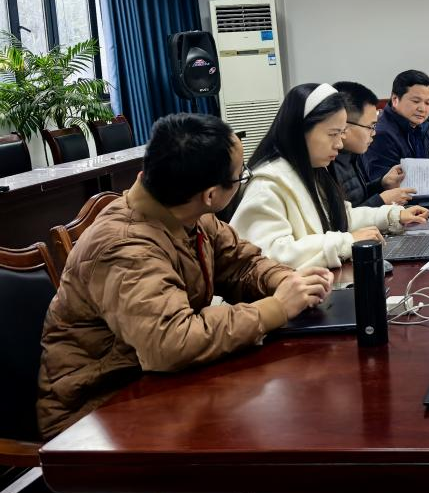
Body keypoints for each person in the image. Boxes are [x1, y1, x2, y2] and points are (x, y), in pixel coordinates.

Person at [38, 113, 334, 439]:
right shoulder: (124, 247)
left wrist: (286, 282)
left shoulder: (185, 210)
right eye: (240, 175)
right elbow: (170, 343)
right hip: (96, 414)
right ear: (211, 195)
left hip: (155, 385)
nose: (243, 180)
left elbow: (242, 264)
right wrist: (275, 308)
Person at [231, 83, 428, 270]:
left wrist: (391, 215)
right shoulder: (267, 184)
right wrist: (346, 242)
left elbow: (339, 216)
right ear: (300, 131)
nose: (339, 144)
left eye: (341, 134)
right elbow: (268, 255)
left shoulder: (312, 169)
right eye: (333, 134)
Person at [330, 80, 415, 208]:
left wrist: (382, 184)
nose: (374, 133)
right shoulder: (327, 163)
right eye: (370, 126)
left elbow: (358, 197)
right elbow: (346, 216)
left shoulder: (351, 154)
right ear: (344, 125)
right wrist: (382, 200)